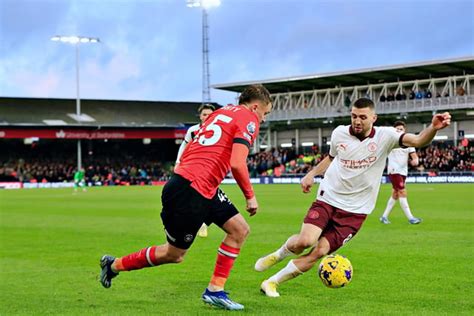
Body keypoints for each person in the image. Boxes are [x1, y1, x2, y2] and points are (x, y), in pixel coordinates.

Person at [99, 84, 272, 311]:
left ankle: (215, 291)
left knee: (239, 230)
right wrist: (250, 196)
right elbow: (237, 163)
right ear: (256, 106)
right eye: (265, 113)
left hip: (199, 185)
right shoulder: (249, 119)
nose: (263, 118)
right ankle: (114, 265)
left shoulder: (220, 113)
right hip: (190, 191)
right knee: (174, 254)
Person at [255, 98, 450, 298]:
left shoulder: (387, 136)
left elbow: (418, 140)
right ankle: (278, 254)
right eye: (354, 116)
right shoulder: (339, 133)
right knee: (305, 241)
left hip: (356, 210)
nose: (357, 121)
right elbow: (330, 158)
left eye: (363, 117)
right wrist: (311, 174)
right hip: (328, 197)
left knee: (320, 252)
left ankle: (271, 282)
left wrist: (433, 128)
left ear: (373, 118)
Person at [175, 103, 215, 237]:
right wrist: (178, 162)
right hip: (193, 169)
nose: (207, 117)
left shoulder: (219, 131)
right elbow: (184, 146)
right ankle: (199, 223)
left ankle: (202, 222)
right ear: (200, 116)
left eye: (210, 115)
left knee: (207, 197)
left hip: (211, 170)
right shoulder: (193, 130)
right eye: (204, 114)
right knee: (191, 196)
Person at [380, 121, 421, 225]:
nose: (399, 131)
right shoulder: (391, 142)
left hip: (403, 172)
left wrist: (415, 161)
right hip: (394, 171)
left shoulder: (409, 143)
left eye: (401, 129)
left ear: (404, 130)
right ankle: (411, 218)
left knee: (395, 194)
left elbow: (414, 156)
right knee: (402, 192)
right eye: (397, 129)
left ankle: (384, 217)